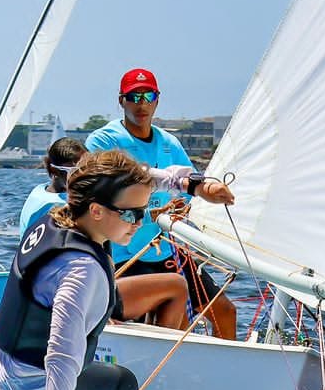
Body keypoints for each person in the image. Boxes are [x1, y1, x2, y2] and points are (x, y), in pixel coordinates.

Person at [0, 150, 177, 390]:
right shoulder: (81, 271)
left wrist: (191, 184)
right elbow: (60, 358)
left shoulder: (60, 216)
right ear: (97, 210)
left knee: (123, 384)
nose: (140, 222)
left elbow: (130, 182)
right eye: (131, 214)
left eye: (144, 211)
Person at [85, 68, 239, 339]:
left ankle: (230, 373)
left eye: (148, 95)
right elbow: (115, 182)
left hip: (167, 250)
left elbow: (189, 188)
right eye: (134, 96)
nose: (141, 103)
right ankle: (157, 373)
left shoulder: (170, 143)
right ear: (121, 101)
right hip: (126, 254)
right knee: (159, 326)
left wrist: (195, 197)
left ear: (157, 99)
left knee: (226, 311)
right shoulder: (103, 140)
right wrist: (151, 208)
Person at [21, 136, 190, 332]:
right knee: (176, 286)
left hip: (53, 292)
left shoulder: (39, 195)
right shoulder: (59, 209)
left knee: (171, 285)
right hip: (65, 295)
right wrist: (100, 315)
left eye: (86, 169)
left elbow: (114, 214)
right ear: (53, 171)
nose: (83, 175)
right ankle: (158, 356)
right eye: (74, 171)